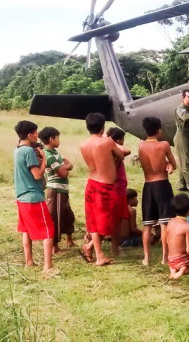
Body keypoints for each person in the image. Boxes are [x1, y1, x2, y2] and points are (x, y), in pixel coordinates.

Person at [79, 112, 125, 266]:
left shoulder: (83, 144)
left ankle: (96, 252)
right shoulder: (107, 142)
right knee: (109, 221)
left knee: (94, 221)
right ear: (103, 126)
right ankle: (93, 249)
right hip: (105, 186)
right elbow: (121, 154)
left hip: (91, 183)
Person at [13, 120, 55, 276]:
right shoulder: (29, 151)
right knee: (48, 230)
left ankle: (29, 261)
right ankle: (47, 266)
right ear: (29, 134)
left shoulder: (17, 150)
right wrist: (44, 159)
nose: (38, 136)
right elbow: (37, 175)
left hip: (21, 195)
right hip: (33, 196)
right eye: (36, 133)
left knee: (26, 230)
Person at [138, 116, 177, 265]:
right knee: (164, 223)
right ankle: (164, 257)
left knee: (147, 224)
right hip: (162, 184)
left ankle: (146, 258)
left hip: (148, 185)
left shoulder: (141, 146)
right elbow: (174, 164)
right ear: (159, 130)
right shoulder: (164, 145)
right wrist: (167, 163)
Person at [38, 126, 76, 255]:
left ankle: (69, 240)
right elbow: (63, 173)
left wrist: (65, 167)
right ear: (51, 139)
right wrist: (65, 168)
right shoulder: (48, 155)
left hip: (62, 189)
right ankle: (55, 245)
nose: (59, 140)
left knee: (67, 214)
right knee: (56, 217)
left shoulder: (55, 152)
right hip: (55, 190)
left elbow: (69, 164)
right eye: (58, 138)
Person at [106, 126, 132, 254]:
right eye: (122, 140)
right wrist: (112, 143)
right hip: (117, 189)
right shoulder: (114, 151)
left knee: (117, 220)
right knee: (115, 220)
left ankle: (115, 248)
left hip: (119, 188)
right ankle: (112, 248)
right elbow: (127, 151)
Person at [166, 193, 189, 279]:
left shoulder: (170, 221)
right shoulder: (187, 227)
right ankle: (186, 270)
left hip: (170, 260)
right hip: (182, 260)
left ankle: (174, 269)